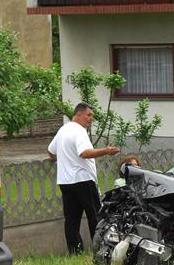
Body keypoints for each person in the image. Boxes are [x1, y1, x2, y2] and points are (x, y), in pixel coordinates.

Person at [47, 103, 120, 255]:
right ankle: (100, 250)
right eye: (89, 115)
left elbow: (51, 152)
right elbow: (84, 153)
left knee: (72, 220)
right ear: (78, 114)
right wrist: (106, 151)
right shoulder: (79, 131)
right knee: (96, 216)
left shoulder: (63, 130)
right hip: (83, 180)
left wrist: (65, 159)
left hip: (66, 182)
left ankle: (75, 252)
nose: (91, 119)